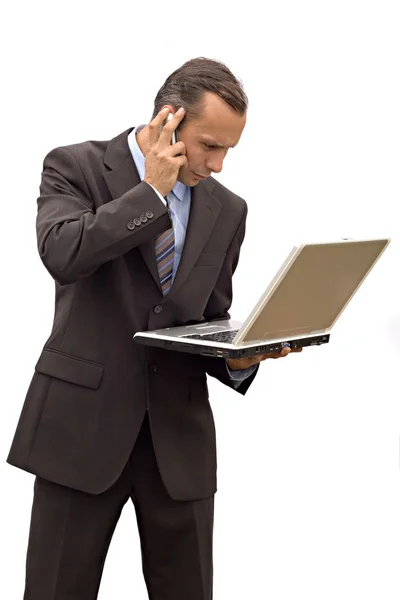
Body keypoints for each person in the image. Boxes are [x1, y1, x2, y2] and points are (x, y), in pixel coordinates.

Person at [7, 57, 300, 600]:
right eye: (209, 145)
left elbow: (205, 320)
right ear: (169, 119)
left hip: (178, 441)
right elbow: (63, 254)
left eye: (228, 150)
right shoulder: (75, 166)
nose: (217, 165)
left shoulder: (228, 209)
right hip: (81, 432)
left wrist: (239, 357)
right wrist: (151, 193)